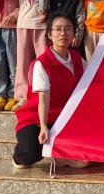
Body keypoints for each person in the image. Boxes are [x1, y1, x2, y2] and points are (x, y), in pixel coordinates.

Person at [12, 13, 88, 172]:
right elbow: (44, 97)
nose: (63, 33)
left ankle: (60, 156)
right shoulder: (42, 64)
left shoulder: (77, 58)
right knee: (27, 157)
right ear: (49, 35)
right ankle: (33, 151)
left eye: (68, 29)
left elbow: (94, 80)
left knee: (85, 159)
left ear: (73, 34)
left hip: (65, 117)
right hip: (37, 117)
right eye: (58, 29)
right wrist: (43, 126)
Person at [0, 0, 52, 104]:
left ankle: (45, 94)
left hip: (44, 26)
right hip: (24, 24)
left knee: (44, 62)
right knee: (22, 63)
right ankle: (22, 96)